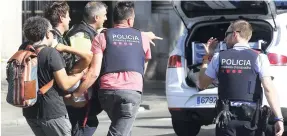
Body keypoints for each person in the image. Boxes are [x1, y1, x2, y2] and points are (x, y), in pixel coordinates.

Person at [71, 1, 162, 136]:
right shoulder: (142, 38)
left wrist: (77, 93)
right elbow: (143, 66)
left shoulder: (102, 37)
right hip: (130, 93)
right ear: (130, 20)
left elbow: (94, 72)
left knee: (124, 128)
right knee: (119, 131)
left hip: (107, 93)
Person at [198, 20, 284, 136]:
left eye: (226, 35)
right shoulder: (260, 57)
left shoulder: (219, 57)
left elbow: (202, 84)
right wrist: (279, 118)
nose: (224, 39)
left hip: (226, 119)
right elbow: (268, 88)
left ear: (235, 34)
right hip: (252, 120)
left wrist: (207, 57)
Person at [22, 16, 87, 136]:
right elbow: (65, 84)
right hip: (52, 113)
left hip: (30, 111)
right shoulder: (50, 53)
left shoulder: (23, 50)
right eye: (52, 32)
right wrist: (81, 74)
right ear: (47, 34)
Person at [64, 2, 108, 136]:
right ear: (96, 18)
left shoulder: (87, 32)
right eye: (104, 15)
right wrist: (78, 94)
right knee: (83, 126)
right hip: (81, 92)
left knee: (88, 124)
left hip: (81, 91)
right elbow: (81, 65)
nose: (106, 18)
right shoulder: (81, 34)